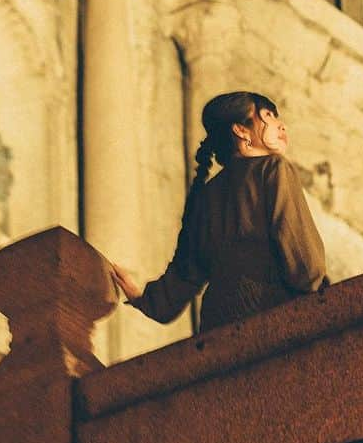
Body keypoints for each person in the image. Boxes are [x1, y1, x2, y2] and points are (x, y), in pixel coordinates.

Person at [110, 91, 328, 332]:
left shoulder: (204, 195)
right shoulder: (274, 169)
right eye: (268, 115)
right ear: (241, 131)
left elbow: (185, 275)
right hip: (270, 315)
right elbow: (305, 265)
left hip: (216, 324)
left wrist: (146, 299)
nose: (281, 125)